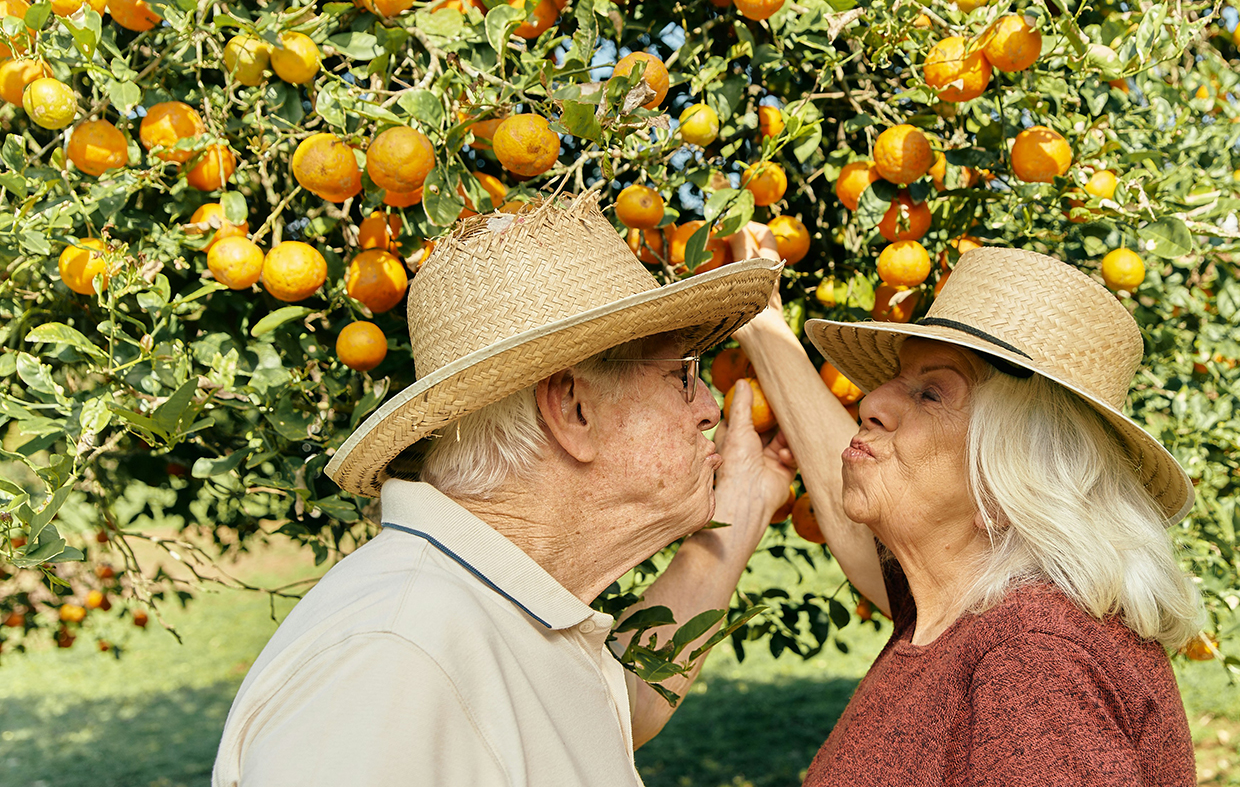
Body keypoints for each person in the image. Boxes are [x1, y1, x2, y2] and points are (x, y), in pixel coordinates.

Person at [212, 194, 797, 787]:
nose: (709, 408)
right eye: (682, 375)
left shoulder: (486, 608)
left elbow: (605, 713)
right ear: (573, 408)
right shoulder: (391, 657)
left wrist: (744, 501)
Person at [728, 227, 1202, 786]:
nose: (870, 401)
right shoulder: (958, 610)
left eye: (931, 394)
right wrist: (760, 322)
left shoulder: (1034, 662)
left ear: (1008, 482)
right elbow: (855, 505)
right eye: (895, 379)